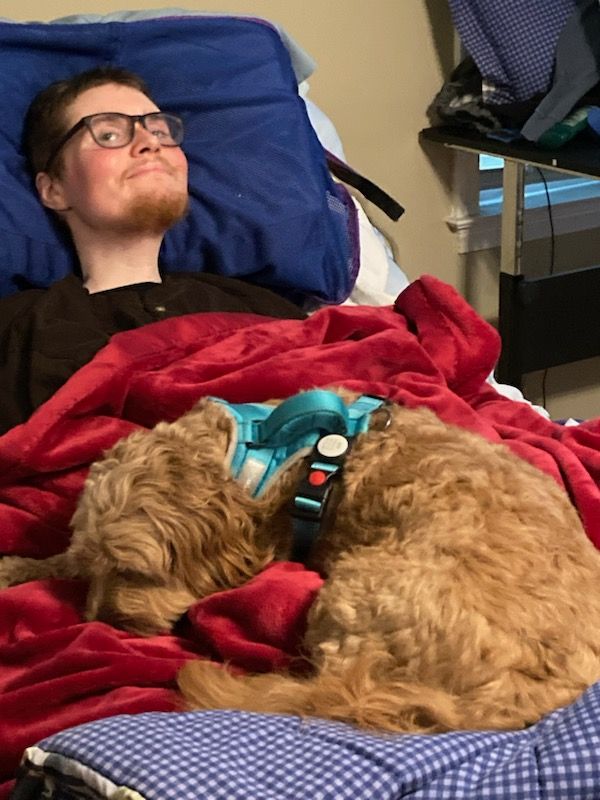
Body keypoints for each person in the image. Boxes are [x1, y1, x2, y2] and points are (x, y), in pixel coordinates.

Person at [0, 67, 306, 435]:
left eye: (160, 131)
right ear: (54, 190)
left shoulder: (259, 306)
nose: (150, 143)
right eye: (109, 134)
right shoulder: (16, 331)